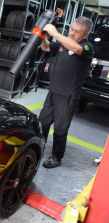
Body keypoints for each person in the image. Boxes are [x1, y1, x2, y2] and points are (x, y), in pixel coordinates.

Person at [39, 16, 94, 168]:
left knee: (60, 129)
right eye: (72, 29)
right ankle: (39, 147)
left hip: (67, 96)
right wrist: (43, 37)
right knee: (42, 123)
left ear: (85, 35)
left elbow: (76, 49)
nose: (72, 33)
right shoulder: (64, 44)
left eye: (77, 32)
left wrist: (55, 33)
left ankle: (56, 157)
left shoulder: (87, 47)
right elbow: (46, 47)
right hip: (53, 92)